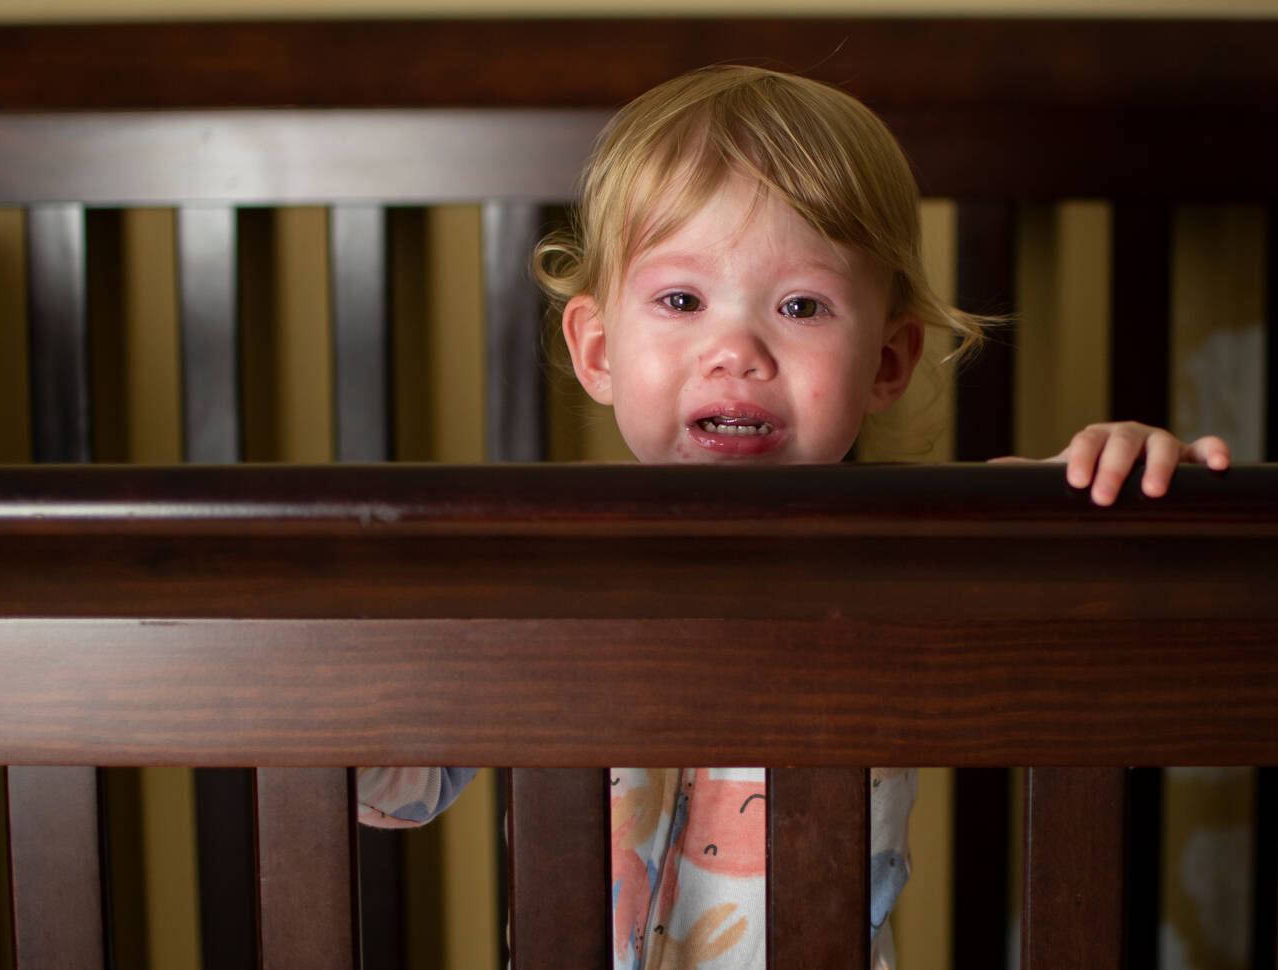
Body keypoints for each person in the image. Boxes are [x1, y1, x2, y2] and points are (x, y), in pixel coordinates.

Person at [357, 64, 1229, 969]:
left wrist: (1118, 488)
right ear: (600, 349)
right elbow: (394, 784)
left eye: (801, 306)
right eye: (682, 301)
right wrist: (341, 652)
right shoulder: (539, 574)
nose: (736, 350)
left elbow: (1097, 605)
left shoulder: (930, 550)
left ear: (888, 363)